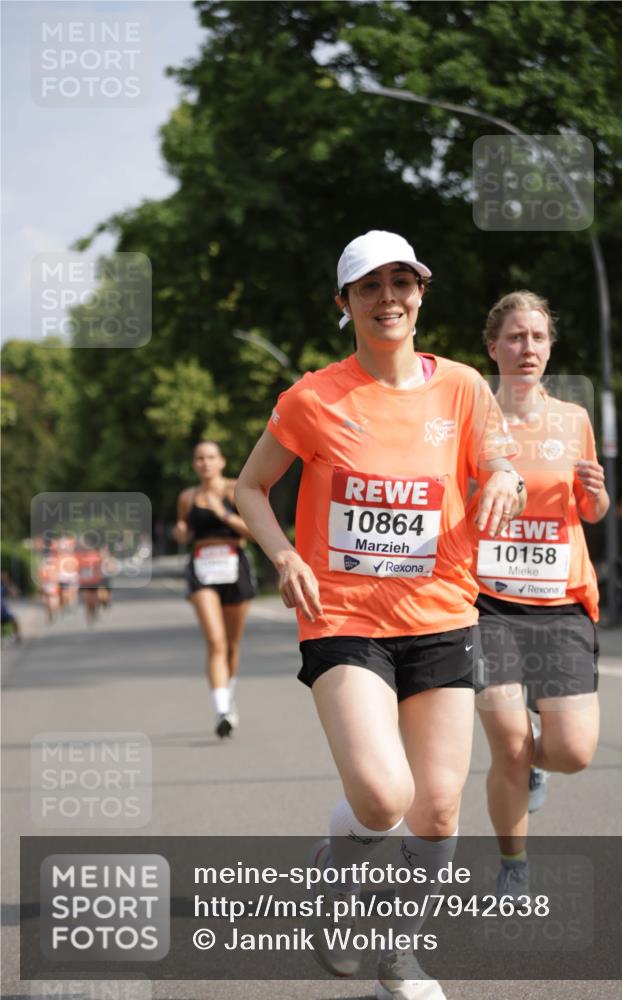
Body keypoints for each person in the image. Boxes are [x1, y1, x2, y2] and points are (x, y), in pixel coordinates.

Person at [236, 231, 525, 1000]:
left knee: (435, 811)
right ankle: (335, 872)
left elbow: (499, 462)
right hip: (342, 617)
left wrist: (502, 480)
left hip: (440, 614)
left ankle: (398, 956)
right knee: (381, 797)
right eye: (369, 287)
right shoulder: (313, 397)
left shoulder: (463, 386)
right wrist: (284, 556)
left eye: (402, 282)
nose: (387, 298)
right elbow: (249, 488)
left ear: (421, 293)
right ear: (345, 304)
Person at [468, 291, 608, 900]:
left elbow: (591, 511)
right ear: (493, 346)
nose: (528, 348)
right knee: (508, 744)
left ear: (550, 348)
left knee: (572, 752)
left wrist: (599, 492)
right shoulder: (469, 419)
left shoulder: (573, 419)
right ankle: (514, 865)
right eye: (517, 337)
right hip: (486, 605)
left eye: (539, 338)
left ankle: (533, 775)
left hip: (561, 601)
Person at [174, 441, 256, 738]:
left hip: (235, 564)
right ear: (194, 464)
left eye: (210, 457)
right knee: (216, 641)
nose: (205, 463)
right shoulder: (187, 497)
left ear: (221, 461)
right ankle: (221, 709)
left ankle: (228, 695)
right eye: (199, 458)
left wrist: (222, 513)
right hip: (202, 567)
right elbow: (182, 530)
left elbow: (254, 530)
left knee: (233, 643)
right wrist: (180, 533)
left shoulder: (237, 489)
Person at [1, 571, 22, 643]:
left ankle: (18, 637)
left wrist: (7, 582)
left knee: (14, 619)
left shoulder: (3, 586)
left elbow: (15, 593)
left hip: (3, 612)